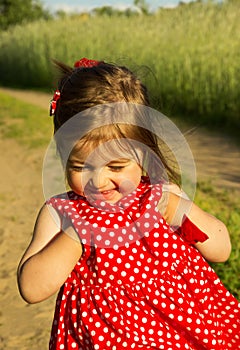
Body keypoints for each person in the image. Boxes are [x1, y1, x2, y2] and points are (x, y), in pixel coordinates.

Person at [17, 58, 240, 350]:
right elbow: (31, 288)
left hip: (178, 333)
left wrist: (179, 210)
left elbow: (221, 250)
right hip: (103, 339)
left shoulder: (161, 197)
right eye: (80, 166)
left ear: (145, 157)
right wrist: (76, 236)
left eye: (116, 167)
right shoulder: (61, 214)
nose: (98, 181)